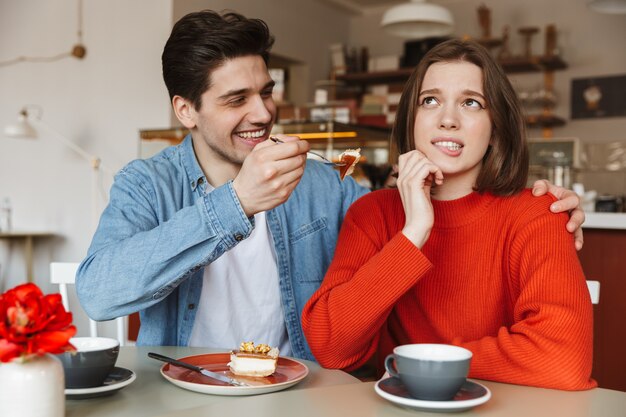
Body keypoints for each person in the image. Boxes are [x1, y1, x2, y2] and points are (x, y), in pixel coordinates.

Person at [76, 11, 584, 361]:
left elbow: (405, 229)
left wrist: (523, 196)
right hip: (180, 389)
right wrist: (236, 204)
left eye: (266, 92)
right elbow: (98, 295)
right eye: (237, 100)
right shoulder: (146, 184)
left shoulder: (325, 183)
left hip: (299, 389)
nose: (263, 113)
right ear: (186, 110)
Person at [302, 39, 595, 390]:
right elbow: (331, 346)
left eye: (471, 102)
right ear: (412, 119)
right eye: (430, 100)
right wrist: (414, 232)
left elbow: (563, 360)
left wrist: (415, 363)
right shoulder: (372, 213)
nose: (448, 120)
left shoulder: (537, 213)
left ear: (495, 128)